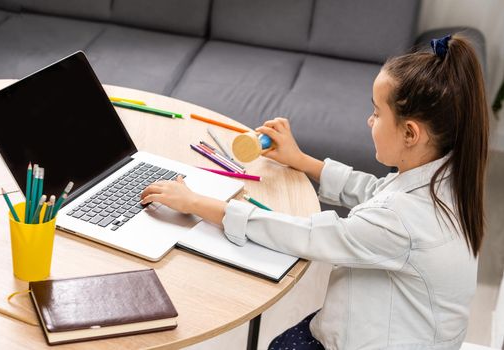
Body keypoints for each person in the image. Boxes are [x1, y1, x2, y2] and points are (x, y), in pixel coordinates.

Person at [140, 34, 489, 349]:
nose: (369, 121)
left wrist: (199, 203)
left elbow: (309, 235)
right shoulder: (446, 175)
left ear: (411, 133)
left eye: (376, 112)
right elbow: (375, 190)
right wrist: (303, 160)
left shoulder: (404, 221)